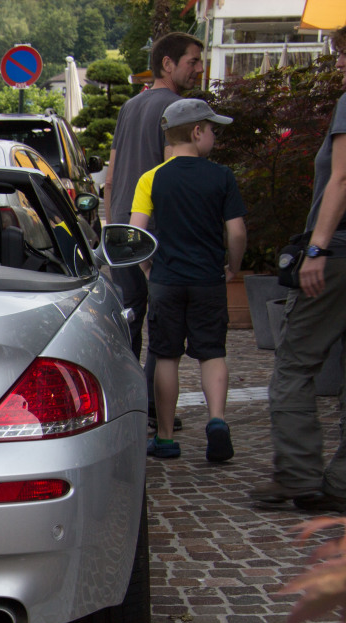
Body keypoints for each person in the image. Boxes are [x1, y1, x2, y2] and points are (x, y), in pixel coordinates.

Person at [253, 27, 346, 511]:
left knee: (294, 364)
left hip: (339, 256)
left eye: (343, 54)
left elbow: (344, 176)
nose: (339, 64)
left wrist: (317, 248)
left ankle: (299, 476)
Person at [130, 99, 245, 463]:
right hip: (208, 279)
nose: (214, 137)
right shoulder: (221, 176)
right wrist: (234, 267)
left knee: (166, 355)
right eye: (212, 130)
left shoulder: (152, 177)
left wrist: (148, 269)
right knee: (212, 352)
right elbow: (237, 232)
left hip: (167, 279)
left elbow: (136, 233)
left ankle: (164, 438)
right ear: (197, 132)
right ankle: (217, 421)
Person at [105, 32, 204, 428]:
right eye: (192, 61)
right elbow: (174, 174)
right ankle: (151, 407)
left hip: (123, 230)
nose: (199, 68)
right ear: (167, 63)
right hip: (156, 231)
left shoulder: (130, 106)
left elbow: (111, 175)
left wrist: (112, 227)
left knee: (129, 319)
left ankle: (123, 405)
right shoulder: (180, 108)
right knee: (163, 327)